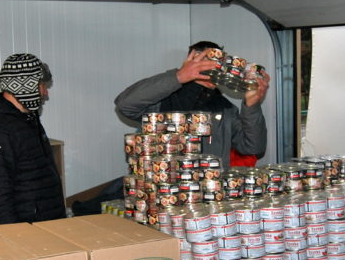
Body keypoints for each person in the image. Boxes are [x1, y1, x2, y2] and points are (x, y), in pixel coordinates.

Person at [114, 41, 270, 167]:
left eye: (218, 65)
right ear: (189, 63)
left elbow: (254, 148)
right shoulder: (162, 99)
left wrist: (252, 106)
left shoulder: (225, 108)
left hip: (210, 191)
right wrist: (178, 77)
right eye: (205, 64)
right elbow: (125, 105)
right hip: (162, 189)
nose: (212, 71)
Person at [0, 53, 65, 225]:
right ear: (26, 85)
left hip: (45, 227)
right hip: (27, 232)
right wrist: (16, 237)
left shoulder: (27, 120)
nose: (45, 93)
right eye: (42, 86)